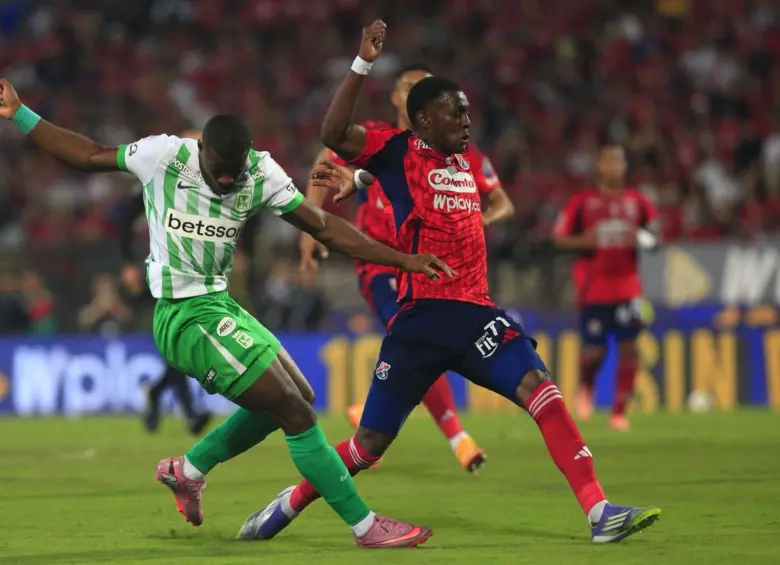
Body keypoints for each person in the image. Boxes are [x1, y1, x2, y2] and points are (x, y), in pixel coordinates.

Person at [241, 21, 661, 544]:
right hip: (421, 320)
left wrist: (363, 181)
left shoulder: (466, 158)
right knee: (368, 445)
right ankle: (289, 502)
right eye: (456, 110)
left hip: (477, 314)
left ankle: (599, 512)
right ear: (424, 119)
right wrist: (361, 66)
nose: (467, 118)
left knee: (542, 390)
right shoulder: (395, 147)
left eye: (466, 109)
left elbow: (455, 194)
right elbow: (332, 136)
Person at [0, 77, 455, 549]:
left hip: (219, 305)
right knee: (295, 413)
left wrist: (401, 258)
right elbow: (88, 155)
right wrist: (21, 114)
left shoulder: (259, 172)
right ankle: (365, 526)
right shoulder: (166, 157)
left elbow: (323, 227)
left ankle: (189, 469)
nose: (226, 179)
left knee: (296, 394)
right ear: (202, 152)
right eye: (218, 169)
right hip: (181, 315)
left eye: (232, 171)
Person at [300, 62, 515, 473]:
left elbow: (502, 201)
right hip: (381, 264)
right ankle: (458, 437)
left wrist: (478, 221)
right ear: (399, 99)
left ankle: (372, 413)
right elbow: (327, 156)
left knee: (421, 347)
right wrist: (310, 221)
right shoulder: (382, 140)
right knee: (417, 334)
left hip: (432, 268)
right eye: (411, 88)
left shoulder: (458, 151)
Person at [553, 144, 660, 432]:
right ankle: (586, 386)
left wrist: (647, 239)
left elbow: (656, 236)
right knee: (595, 353)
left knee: (630, 349)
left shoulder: (637, 202)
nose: (614, 167)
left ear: (625, 167)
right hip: (594, 288)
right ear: (599, 166)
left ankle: (618, 413)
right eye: (609, 161)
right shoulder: (583, 202)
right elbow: (559, 238)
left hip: (628, 288)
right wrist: (584, 242)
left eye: (619, 161)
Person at [118, 128, 214, 436]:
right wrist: (127, 265)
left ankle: (161, 395)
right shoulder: (156, 178)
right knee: (178, 337)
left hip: (184, 269)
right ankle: (186, 410)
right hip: (153, 269)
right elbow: (122, 220)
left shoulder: (201, 183)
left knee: (179, 340)